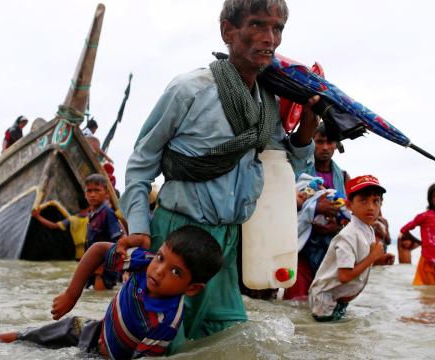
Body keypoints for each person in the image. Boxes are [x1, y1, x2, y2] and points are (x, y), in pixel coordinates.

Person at [119, 0, 320, 347]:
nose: (269, 38)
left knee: (229, 341)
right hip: (176, 236)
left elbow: (280, 171)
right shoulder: (189, 90)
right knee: (161, 343)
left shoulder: (266, 102)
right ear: (228, 31)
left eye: (277, 29)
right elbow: (141, 163)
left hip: (226, 245)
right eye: (257, 25)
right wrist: (138, 228)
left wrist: (308, 127)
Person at [0, 226, 224, 359]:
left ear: (192, 288)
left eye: (176, 272)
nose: (159, 271)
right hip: (93, 329)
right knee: (32, 336)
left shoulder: (165, 323)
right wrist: (71, 295)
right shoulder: (142, 262)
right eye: (161, 257)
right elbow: (97, 250)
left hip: (104, 356)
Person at [309, 175, 394, 322]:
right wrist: (373, 257)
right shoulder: (347, 236)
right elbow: (344, 276)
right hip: (325, 300)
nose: (370, 207)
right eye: (363, 200)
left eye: (376, 201)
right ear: (349, 206)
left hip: (339, 298)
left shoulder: (368, 230)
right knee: (326, 338)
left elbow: (362, 260)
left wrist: (379, 260)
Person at [284, 123, 350, 300]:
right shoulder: (296, 172)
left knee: (325, 304)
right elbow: (282, 204)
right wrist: (316, 208)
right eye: (320, 142)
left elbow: (350, 213)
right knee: (295, 303)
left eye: (330, 142)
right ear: (312, 142)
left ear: (336, 144)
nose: (325, 148)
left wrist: (336, 226)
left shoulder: (343, 177)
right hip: (300, 250)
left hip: (329, 251)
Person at [84, 174, 125, 290]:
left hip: (103, 269)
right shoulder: (92, 215)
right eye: (89, 191)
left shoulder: (107, 213)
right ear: (85, 194)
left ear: (106, 193)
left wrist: (102, 266)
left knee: (99, 295)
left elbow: (120, 240)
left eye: (97, 190)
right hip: (93, 267)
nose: (92, 194)